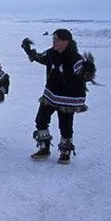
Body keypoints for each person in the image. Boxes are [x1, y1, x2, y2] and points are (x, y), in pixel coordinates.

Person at [21, 29, 97, 164]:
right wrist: (29, 51)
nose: (54, 42)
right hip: (50, 94)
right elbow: (41, 58)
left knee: (65, 125)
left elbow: (84, 77)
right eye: (53, 39)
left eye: (57, 40)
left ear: (66, 41)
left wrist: (88, 70)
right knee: (41, 120)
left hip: (67, 98)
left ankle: (65, 152)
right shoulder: (51, 54)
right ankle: (44, 148)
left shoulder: (75, 59)